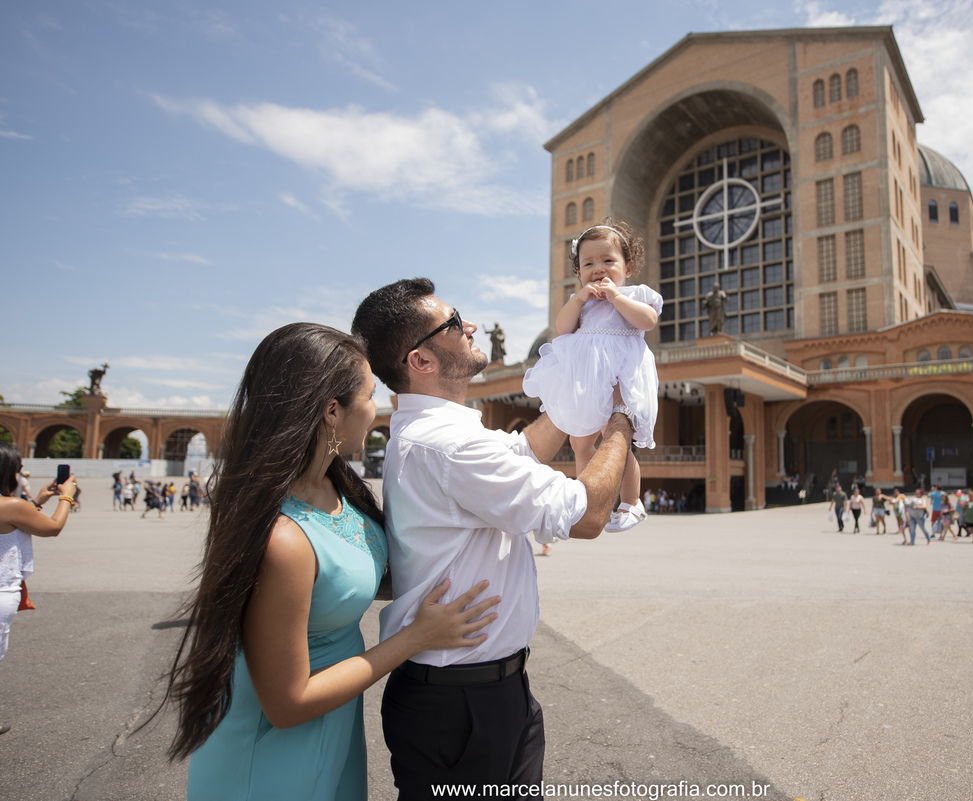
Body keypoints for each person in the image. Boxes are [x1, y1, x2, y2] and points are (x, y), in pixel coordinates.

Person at [161, 323, 501, 800]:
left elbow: (354, 573)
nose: (378, 407)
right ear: (331, 412)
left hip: (330, 731)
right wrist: (416, 637)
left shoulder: (334, 487)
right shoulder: (282, 539)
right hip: (272, 757)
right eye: (369, 394)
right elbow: (288, 702)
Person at [352, 278, 634, 797]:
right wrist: (625, 415)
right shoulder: (447, 446)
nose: (472, 326)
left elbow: (520, 452)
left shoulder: (441, 435)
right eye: (455, 323)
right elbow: (590, 513)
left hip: (491, 692)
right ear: (421, 361)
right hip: (460, 708)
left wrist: (585, 392)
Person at [523, 218, 660, 532]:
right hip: (587, 381)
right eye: (589, 263)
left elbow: (648, 321)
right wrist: (579, 298)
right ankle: (588, 500)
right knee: (579, 441)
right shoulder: (582, 303)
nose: (598, 268)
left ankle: (632, 502)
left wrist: (617, 298)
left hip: (620, 376)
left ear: (628, 266)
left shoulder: (635, 293)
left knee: (616, 439)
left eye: (608, 261)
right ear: (579, 273)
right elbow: (563, 328)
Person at [0, 444, 78, 735]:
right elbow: (52, 528)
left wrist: (37, 499)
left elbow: (13, 521)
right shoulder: (11, 505)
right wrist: (67, 494)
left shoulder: (14, 507)